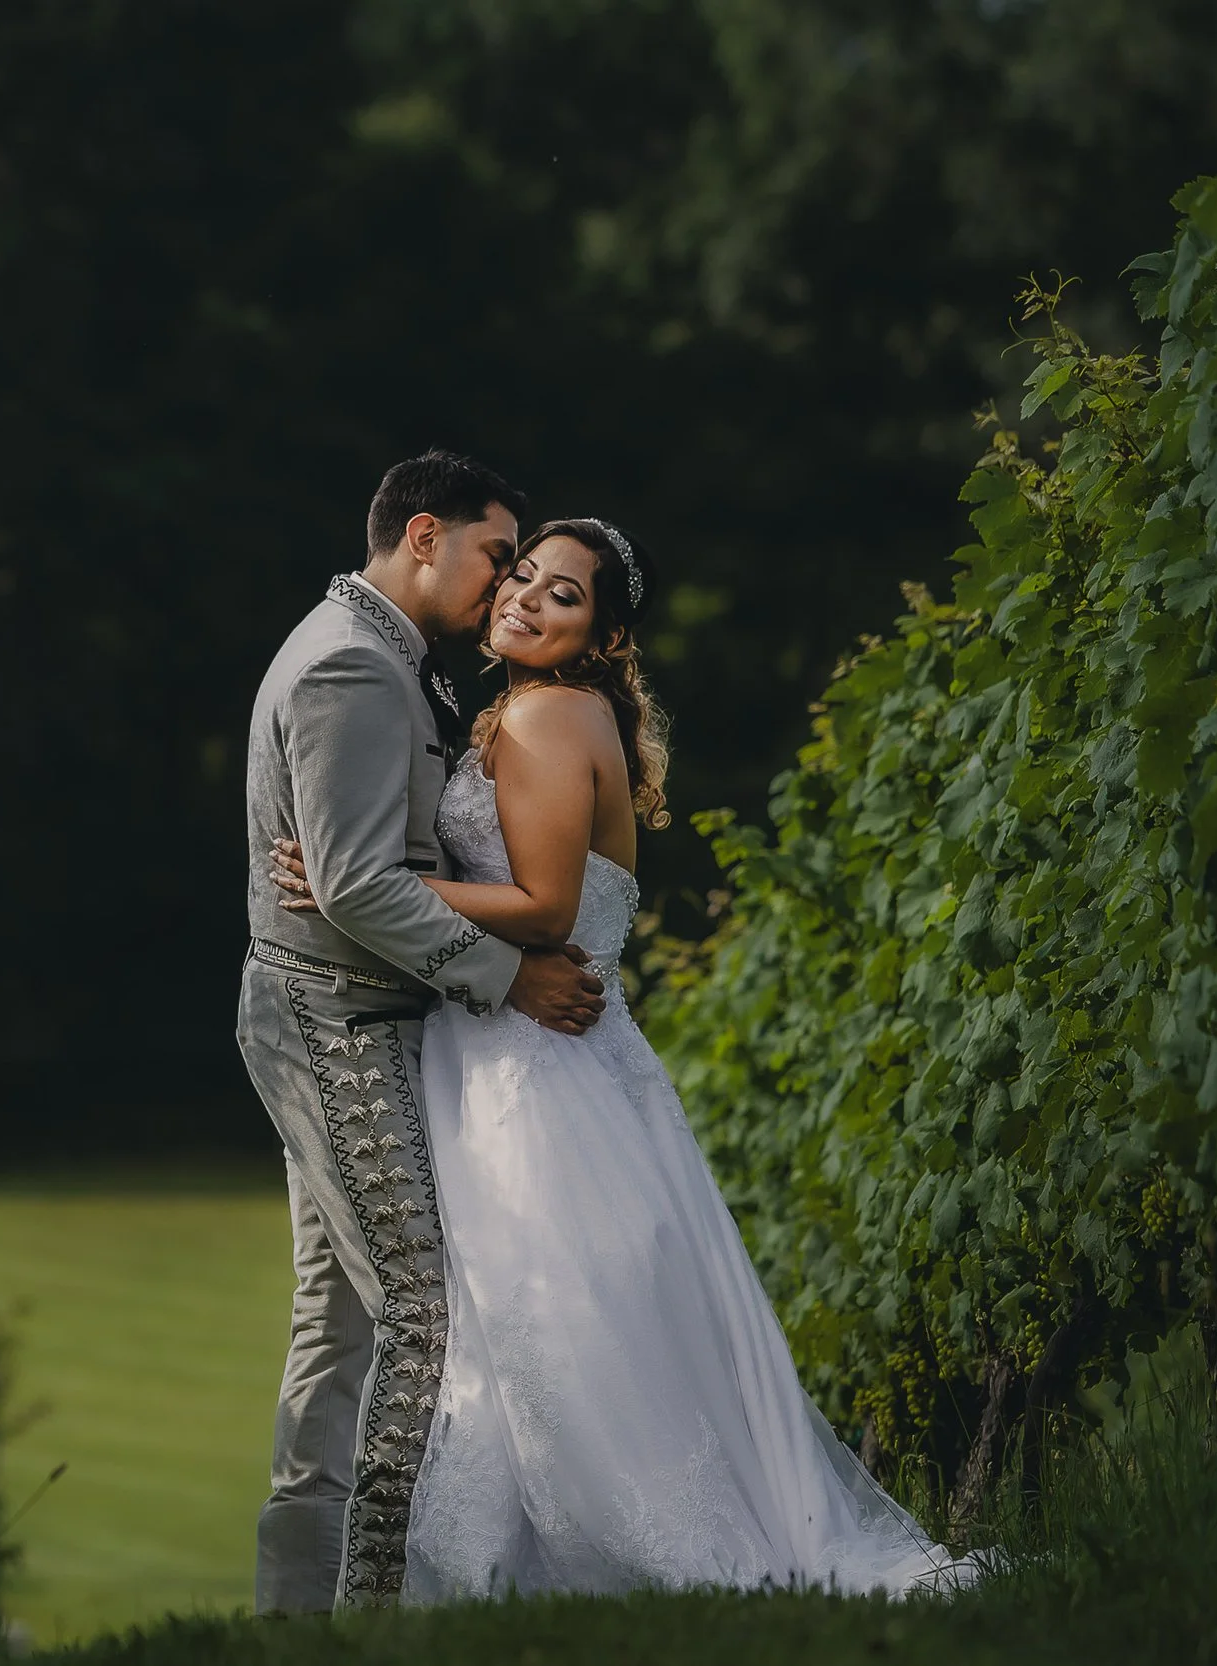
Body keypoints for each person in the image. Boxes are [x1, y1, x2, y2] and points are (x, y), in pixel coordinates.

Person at [267, 516, 971, 1598]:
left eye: (560, 595)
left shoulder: (547, 715)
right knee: (542, 1306)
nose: (522, 599)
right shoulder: (533, 707)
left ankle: (610, 1556)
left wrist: (355, 879)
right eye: (520, 576)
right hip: (536, 1049)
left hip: (530, 1062)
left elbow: (545, 908)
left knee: (543, 1304)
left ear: (601, 637)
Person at [235, 450, 606, 1613]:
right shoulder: (350, 663)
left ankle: (296, 1612)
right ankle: (372, 1603)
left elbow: (377, 864)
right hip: (332, 1021)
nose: (505, 583)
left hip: (344, 1009)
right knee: (418, 1306)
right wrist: (510, 977)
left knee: (336, 1317)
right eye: (500, 555)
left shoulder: (394, 656)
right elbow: (353, 888)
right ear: (425, 534)